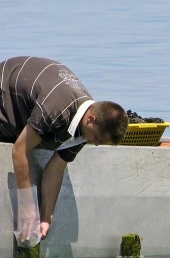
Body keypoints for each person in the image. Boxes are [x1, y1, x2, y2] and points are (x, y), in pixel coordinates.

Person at [0, 56, 129, 242]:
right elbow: (19, 151)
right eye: (99, 139)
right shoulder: (56, 108)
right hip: (5, 93)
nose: (97, 144)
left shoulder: (87, 127)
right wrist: (27, 207)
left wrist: (47, 217)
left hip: (27, 106)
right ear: (91, 119)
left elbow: (56, 167)